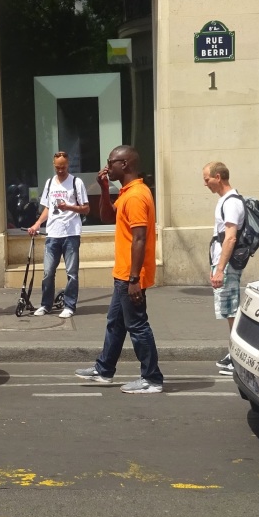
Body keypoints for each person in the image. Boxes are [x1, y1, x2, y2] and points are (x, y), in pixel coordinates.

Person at [74, 145, 163, 394]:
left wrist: (134, 279)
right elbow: (106, 217)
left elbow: (140, 239)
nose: (107, 166)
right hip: (123, 273)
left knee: (137, 326)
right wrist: (104, 189)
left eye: (110, 161)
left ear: (124, 164)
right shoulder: (127, 193)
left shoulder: (136, 196)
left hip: (130, 275)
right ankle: (104, 370)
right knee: (115, 322)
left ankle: (152, 379)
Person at [26, 151, 89, 318]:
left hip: (71, 234)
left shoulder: (76, 182)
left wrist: (69, 207)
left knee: (72, 273)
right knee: (48, 272)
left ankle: (69, 305)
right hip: (53, 233)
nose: (60, 170)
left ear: (68, 165)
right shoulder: (49, 183)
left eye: (64, 167)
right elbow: (47, 208)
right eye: (58, 167)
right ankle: (46, 305)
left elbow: (86, 208)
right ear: (54, 165)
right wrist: (38, 224)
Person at [202, 162, 245, 376]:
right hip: (223, 263)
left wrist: (220, 269)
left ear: (218, 177)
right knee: (229, 311)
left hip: (227, 264)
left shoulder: (231, 203)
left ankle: (238, 358)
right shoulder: (225, 201)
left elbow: (230, 237)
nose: (205, 184)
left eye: (207, 179)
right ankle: (234, 354)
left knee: (232, 311)